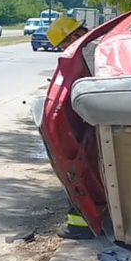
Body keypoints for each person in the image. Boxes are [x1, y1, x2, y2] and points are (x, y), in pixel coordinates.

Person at [43, 15, 96, 239]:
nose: (63, 51)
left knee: (79, 172)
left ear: (74, 36)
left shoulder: (88, 52)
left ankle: (80, 226)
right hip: (95, 119)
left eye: (63, 45)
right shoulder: (96, 46)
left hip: (93, 120)